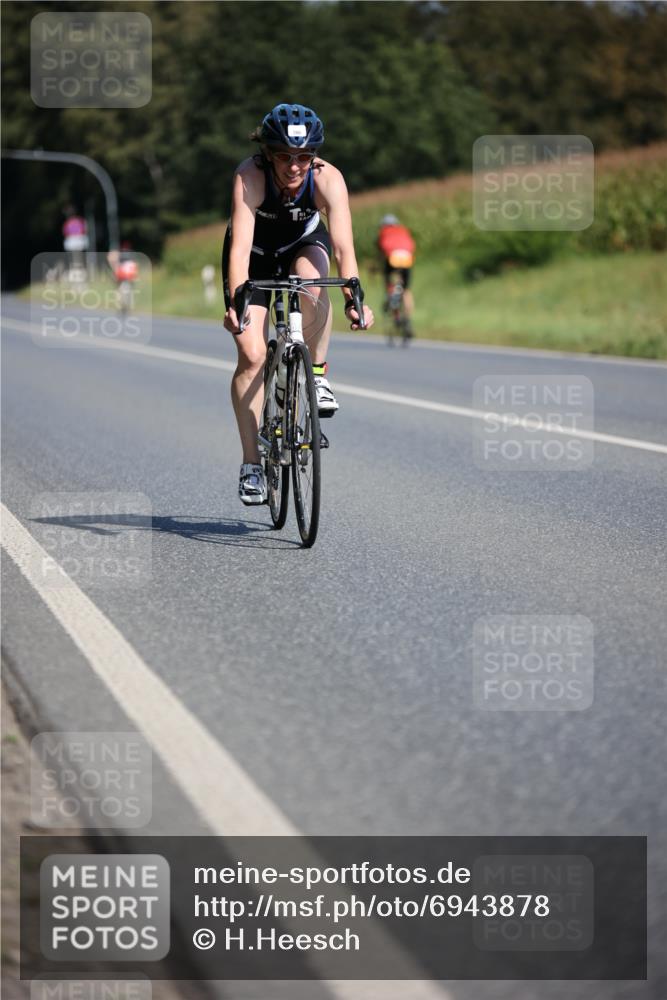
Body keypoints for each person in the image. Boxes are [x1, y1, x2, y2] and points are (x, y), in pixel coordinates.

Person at [222, 102, 374, 505]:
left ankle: (316, 374)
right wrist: (237, 302)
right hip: (254, 256)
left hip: (303, 244)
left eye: (304, 157)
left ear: (314, 156)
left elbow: (343, 248)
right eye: (285, 157)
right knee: (252, 355)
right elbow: (239, 250)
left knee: (313, 283)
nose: (294, 166)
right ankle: (252, 465)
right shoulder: (249, 177)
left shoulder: (328, 179)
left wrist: (354, 299)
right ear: (267, 153)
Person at [377, 214, 416, 324]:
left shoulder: (384, 232)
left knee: (389, 282)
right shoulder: (403, 230)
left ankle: (393, 306)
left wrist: (378, 267)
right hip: (407, 259)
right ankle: (407, 319)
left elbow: (381, 253)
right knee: (406, 290)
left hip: (393, 258)